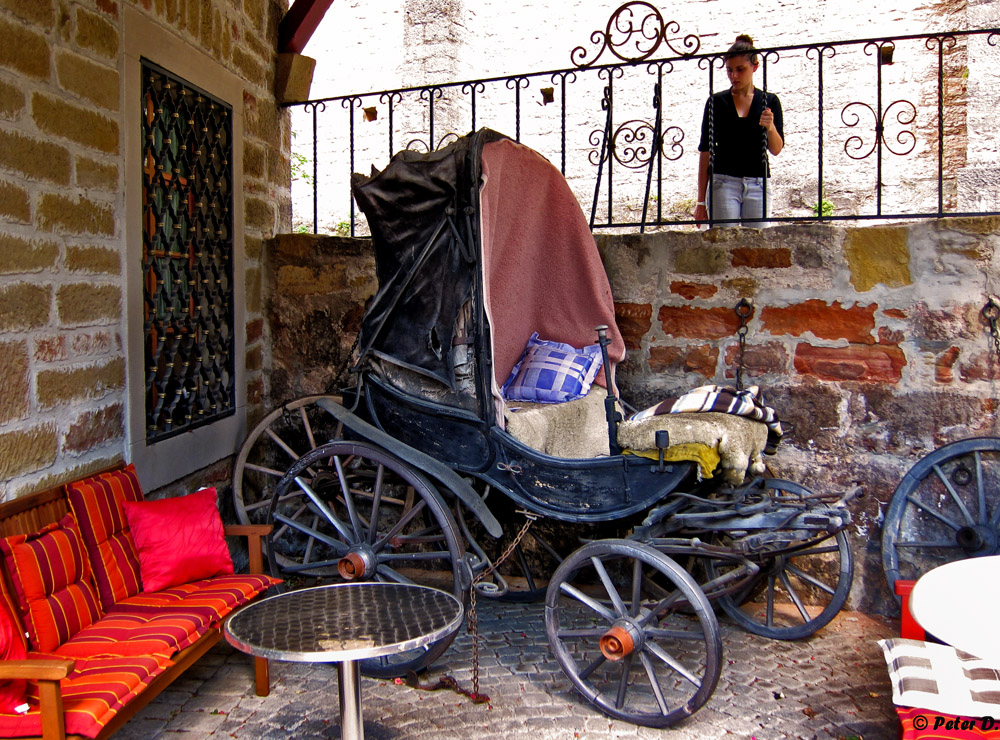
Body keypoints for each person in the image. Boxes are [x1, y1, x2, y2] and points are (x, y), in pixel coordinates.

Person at [694, 34, 783, 226]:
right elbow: (705, 151)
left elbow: (776, 149)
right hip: (723, 182)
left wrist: (770, 127)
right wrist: (701, 201)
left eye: (740, 70)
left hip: (758, 183)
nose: (734, 76)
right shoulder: (716, 102)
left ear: (755, 67)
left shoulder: (769, 101)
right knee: (725, 247)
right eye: (729, 70)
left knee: (756, 248)